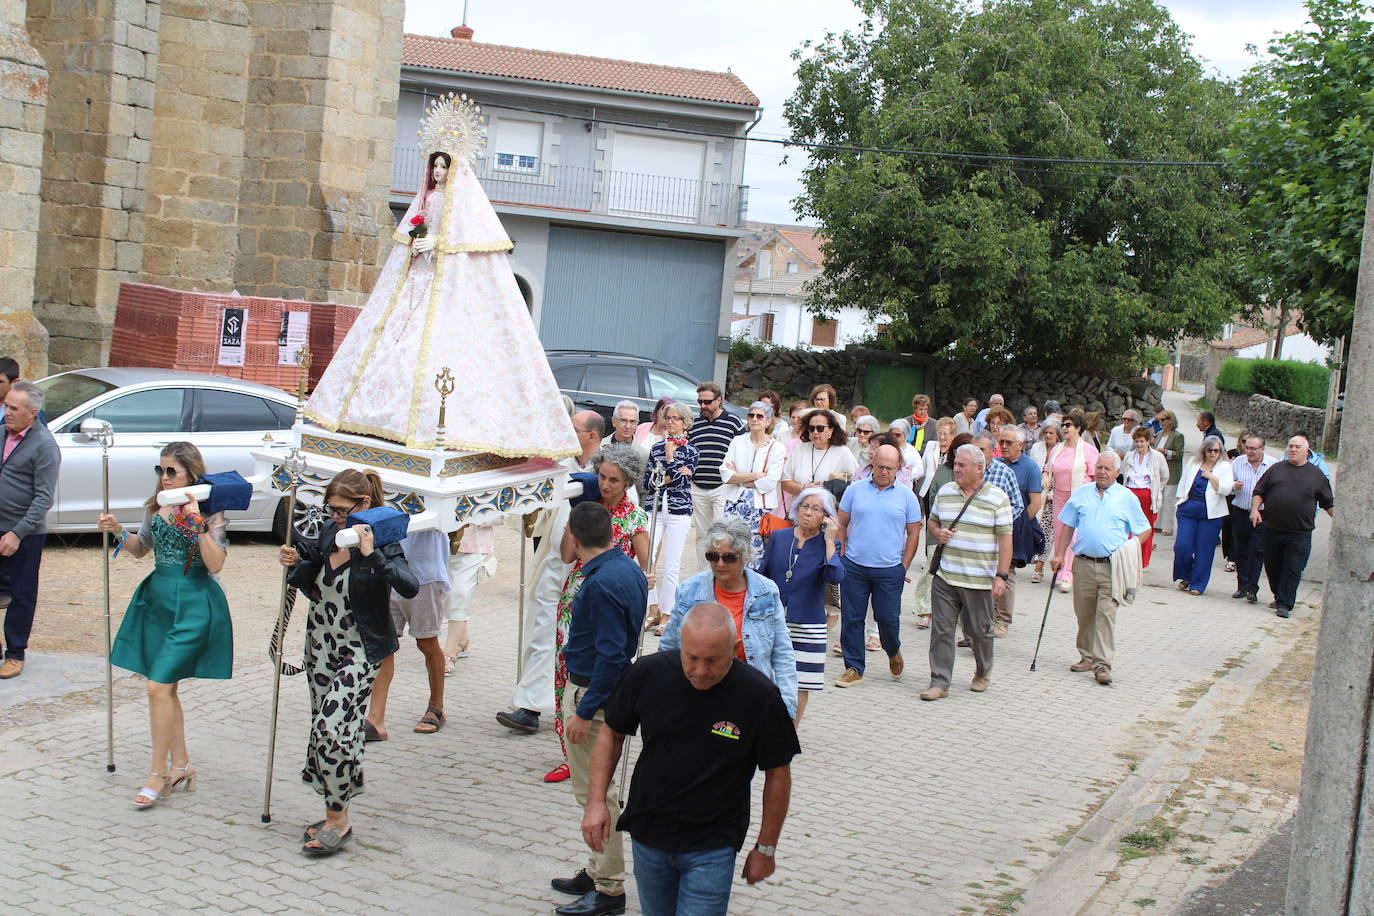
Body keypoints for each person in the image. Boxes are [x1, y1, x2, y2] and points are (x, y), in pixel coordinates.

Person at [304, 111, 578, 458]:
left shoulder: (468, 205)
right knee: (393, 349)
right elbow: (413, 230)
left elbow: (465, 240)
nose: (437, 173)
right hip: (417, 281)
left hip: (448, 288)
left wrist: (438, 242)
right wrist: (418, 242)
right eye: (434, 166)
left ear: (456, 168)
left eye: (443, 167)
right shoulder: (425, 199)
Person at [580, 604, 800, 916]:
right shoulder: (648, 674)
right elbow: (611, 734)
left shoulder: (759, 696)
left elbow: (778, 772)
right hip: (649, 835)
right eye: (691, 658)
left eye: (713, 660)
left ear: (735, 650)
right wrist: (596, 803)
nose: (700, 670)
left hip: (713, 845)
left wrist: (766, 847)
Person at [278, 468, 418, 856]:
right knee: (339, 732)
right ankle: (334, 811)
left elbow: (409, 585)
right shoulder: (327, 532)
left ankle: (339, 819)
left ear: (365, 505)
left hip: (359, 647)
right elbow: (312, 571)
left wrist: (372, 555)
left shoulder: (383, 540)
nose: (335, 517)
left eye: (342, 510)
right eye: (331, 509)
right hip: (320, 642)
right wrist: (294, 558)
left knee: (330, 728)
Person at [98, 441, 228, 805]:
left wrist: (198, 522)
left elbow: (216, 564)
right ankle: (182, 764)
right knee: (165, 689)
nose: (165, 477)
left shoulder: (211, 510)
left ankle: (157, 773)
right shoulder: (157, 504)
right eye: (161, 470)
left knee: (156, 687)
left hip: (193, 603)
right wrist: (118, 531)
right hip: (156, 601)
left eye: (172, 471)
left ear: (192, 474)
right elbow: (142, 548)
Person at [550, 502, 649, 916]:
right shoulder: (626, 568)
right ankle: (596, 871)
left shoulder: (599, 583)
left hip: (596, 693)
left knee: (595, 794)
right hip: (607, 689)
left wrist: (584, 710)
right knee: (598, 790)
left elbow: (609, 656)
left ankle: (609, 889)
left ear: (574, 537)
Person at [550, 444, 651, 784]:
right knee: (565, 669)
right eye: (602, 477)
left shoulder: (635, 517)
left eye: (613, 480)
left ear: (627, 483)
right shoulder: (588, 506)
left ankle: (594, 744)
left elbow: (644, 567)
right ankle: (568, 751)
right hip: (574, 598)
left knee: (599, 667)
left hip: (609, 597)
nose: (605, 484)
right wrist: (573, 517)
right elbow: (567, 556)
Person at [499, 410, 601, 738]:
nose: (567, 434)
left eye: (574, 429)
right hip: (554, 564)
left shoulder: (608, 472)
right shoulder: (560, 465)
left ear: (592, 436)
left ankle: (570, 706)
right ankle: (529, 706)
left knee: (574, 641)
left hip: (587, 574)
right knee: (542, 633)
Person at [662, 517, 797, 717]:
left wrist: (786, 707)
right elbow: (668, 649)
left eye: (729, 557)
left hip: (751, 696)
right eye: (712, 556)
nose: (720, 563)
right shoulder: (688, 591)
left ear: (744, 556)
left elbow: (782, 653)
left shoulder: (767, 591)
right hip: (698, 693)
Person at [1051, 451, 1151, 685]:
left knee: (1106, 615)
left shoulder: (1126, 497)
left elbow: (1144, 529)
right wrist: (1058, 555)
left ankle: (1102, 665)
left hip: (1112, 566)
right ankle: (1086, 657)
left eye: (1107, 469)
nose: (1102, 472)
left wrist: (1130, 547)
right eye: (1099, 468)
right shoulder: (1082, 493)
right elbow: (1067, 525)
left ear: (1117, 472)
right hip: (1083, 563)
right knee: (1084, 614)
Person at [922, 444, 1012, 700]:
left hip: (980, 580)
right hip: (946, 576)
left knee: (980, 631)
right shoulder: (946, 492)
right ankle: (939, 682)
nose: (956, 469)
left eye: (962, 465)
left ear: (979, 469)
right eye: (955, 464)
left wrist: (1001, 575)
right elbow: (933, 521)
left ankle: (983, 671)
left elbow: (1006, 539)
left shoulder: (997, 498)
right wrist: (937, 533)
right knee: (941, 630)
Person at [833, 444, 922, 688]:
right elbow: (841, 523)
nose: (884, 472)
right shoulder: (855, 490)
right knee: (852, 618)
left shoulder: (907, 496)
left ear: (898, 468)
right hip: (855, 566)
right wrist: (841, 555)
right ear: (873, 464)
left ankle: (893, 650)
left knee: (887, 618)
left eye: (889, 468)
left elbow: (914, 533)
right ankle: (854, 667)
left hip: (889, 569)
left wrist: (904, 566)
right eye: (880, 467)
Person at [758, 487, 843, 725]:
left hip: (808, 623)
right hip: (773, 619)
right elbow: (762, 575)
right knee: (765, 677)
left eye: (815, 509)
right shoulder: (779, 537)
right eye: (804, 506)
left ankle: (788, 733)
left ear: (826, 516)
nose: (808, 512)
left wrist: (828, 542)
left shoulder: (829, 544)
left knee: (800, 681)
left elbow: (835, 576)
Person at [364, 527, 451, 740]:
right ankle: (376, 719)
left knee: (427, 643)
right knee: (383, 646)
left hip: (425, 575)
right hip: (388, 572)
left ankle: (436, 706)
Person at [0, 382, 59, 680]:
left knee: (22, 594)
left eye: (13, 408)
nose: (6, 412)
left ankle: (15, 653)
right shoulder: (1, 431)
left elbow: (43, 498)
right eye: (6, 405)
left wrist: (17, 533)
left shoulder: (45, 445)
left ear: (33, 413)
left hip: (25, 533)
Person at [1251, 434, 1335, 618]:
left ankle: (1285, 604)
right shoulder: (1276, 470)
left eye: (1297, 447)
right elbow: (1259, 491)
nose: (1293, 450)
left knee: (1293, 568)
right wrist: (1255, 509)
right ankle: (1279, 595)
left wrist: (1338, 523)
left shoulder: (1316, 475)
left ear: (1307, 451)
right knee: (1273, 567)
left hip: (1299, 533)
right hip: (1272, 528)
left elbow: (1328, 502)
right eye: (1291, 446)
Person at [641, 401, 697, 635]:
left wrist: (671, 460)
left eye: (676, 418)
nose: (671, 422)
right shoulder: (655, 449)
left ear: (685, 423)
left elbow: (684, 482)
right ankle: (651, 608)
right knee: (646, 560)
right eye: (668, 417)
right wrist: (670, 476)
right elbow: (647, 482)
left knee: (672, 565)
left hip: (679, 511)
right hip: (654, 509)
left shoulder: (692, 452)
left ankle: (668, 613)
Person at [912, 432, 971, 629]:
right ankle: (925, 611)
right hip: (938, 532)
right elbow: (933, 500)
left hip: (964, 536)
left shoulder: (975, 474)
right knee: (932, 571)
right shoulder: (943, 471)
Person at [687, 382, 745, 576]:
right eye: (700, 402)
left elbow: (743, 449)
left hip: (723, 487)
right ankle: (702, 576)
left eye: (707, 402)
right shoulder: (694, 424)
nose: (703, 406)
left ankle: (722, 575)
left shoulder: (734, 422)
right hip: (698, 486)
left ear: (719, 400)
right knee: (702, 535)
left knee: (722, 534)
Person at [721, 402, 785, 568]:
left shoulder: (777, 448)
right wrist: (754, 476)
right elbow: (725, 474)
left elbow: (770, 482)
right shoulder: (737, 441)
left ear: (768, 421)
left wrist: (738, 478)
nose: (754, 419)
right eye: (751, 415)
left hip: (760, 509)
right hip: (734, 504)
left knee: (756, 554)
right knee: (730, 548)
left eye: (759, 416)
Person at [993, 427, 1043, 637]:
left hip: (1014, 528)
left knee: (1007, 572)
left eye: (1008, 443)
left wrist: (1017, 525)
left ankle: (1002, 619)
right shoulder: (995, 464)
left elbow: (1035, 502)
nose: (1003, 446)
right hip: (991, 527)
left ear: (1020, 446)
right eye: (1001, 442)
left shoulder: (1030, 467)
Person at [1172, 436, 1235, 595]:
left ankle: (1198, 583)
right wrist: (1180, 502)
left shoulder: (1225, 466)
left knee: (1204, 550)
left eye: (1216, 450)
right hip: (1188, 509)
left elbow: (1226, 489)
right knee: (1182, 546)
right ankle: (1186, 575)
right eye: (1210, 450)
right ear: (1204, 450)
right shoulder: (1193, 462)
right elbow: (1183, 483)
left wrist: (1211, 476)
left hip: (1211, 513)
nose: (1213, 453)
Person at [1045, 411, 1099, 592]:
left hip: (1079, 497)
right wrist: (1046, 476)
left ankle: (1068, 574)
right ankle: (1059, 570)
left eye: (1068, 425)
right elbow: (1048, 469)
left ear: (1078, 428)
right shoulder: (1057, 449)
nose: (1065, 428)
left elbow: (1096, 477)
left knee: (1074, 535)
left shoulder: (1089, 451)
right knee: (1060, 535)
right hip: (1060, 496)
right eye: (1064, 425)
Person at [1228, 435, 1276, 603]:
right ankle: (1242, 585)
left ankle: (1252, 589)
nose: (1249, 452)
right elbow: (1228, 486)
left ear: (1262, 449)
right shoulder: (1237, 462)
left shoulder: (1273, 465)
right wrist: (1234, 486)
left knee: (1257, 550)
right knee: (1241, 549)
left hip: (1263, 514)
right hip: (1241, 510)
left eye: (1253, 449)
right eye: (1247, 448)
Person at [442, 523, 495, 672]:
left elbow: (500, 514)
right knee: (447, 592)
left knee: (459, 594)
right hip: (442, 540)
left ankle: (449, 652)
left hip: (473, 546)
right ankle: (462, 641)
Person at [781, 408, 858, 499]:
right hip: (800, 509)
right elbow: (785, 482)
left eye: (820, 428)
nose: (815, 432)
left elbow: (856, 483)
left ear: (831, 430)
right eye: (811, 428)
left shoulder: (843, 452)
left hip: (829, 510)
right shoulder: (799, 449)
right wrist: (804, 488)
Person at [1121, 428, 1168, 568]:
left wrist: (1157, 489)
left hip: (1147, 494)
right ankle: (1128, 558)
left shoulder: (1157, 457)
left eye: (1142, 441)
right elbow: (1124, 472)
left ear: (1148, 441)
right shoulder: (1129, 456)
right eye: (1137, 441)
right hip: (1130, 492)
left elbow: (1164, 476)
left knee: (1146, 527)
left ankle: (1143, 560)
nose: (1139, 444)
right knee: (1128, 526)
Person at [1029, 421, 1061, 583]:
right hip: (1035, 495)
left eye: (1052, 433)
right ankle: (1032, 554)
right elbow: (1031, 468)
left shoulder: (1062, 450)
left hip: (1054, 497)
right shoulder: (1036, 448)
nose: (1048, 435)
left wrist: (1054, 493)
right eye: (1046, 432)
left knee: (1048, 533)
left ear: (1057, 435)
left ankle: (1039, 567)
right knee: (1035, 529)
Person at [1155, 410, 1186, 536]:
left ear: (1171, 420)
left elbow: (1180, 454)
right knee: (1159, 497)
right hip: (1159, 470)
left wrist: (1165, 452)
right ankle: (1157, 524)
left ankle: (1168, 526)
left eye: (1164, 419)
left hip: (1172, 471)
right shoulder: (1158, 434)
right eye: (1160, 420)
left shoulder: (1178, 436)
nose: (1161, 422)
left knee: (1169, 498)